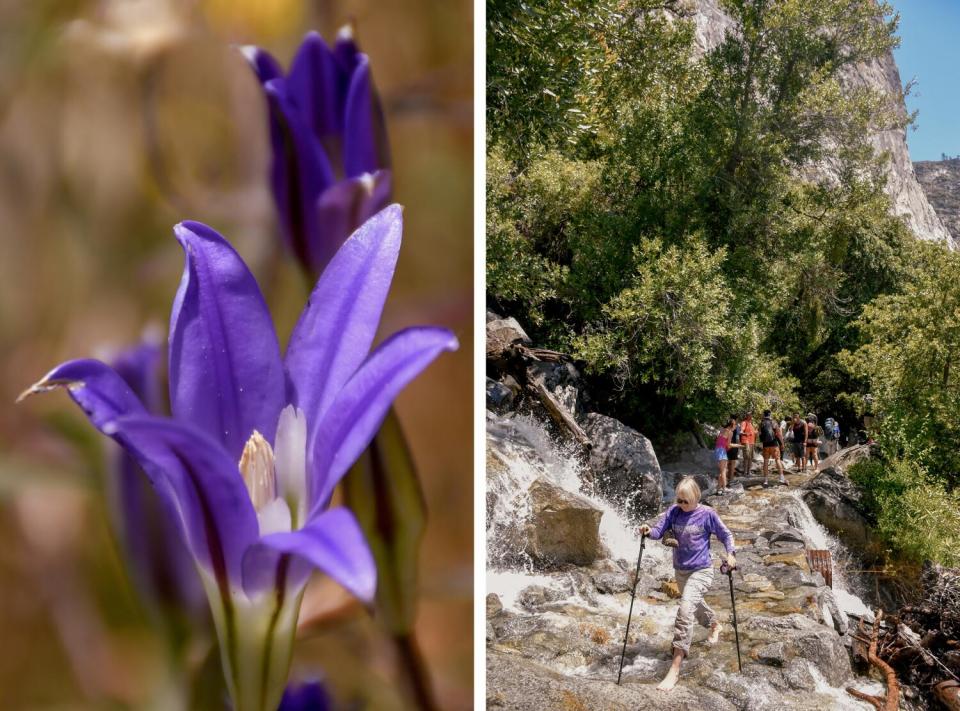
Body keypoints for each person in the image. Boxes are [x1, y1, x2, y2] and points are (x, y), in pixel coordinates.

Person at [639, 477, 737, 692]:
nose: (682, 505)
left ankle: (675, 667)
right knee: (691, 604)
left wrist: (731, 554)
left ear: (696, 498)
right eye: (679, 500)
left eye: (686, 501)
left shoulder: (707, 514)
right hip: (681, 571)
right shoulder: (674, 512)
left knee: (684, 611)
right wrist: (648, 531)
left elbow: (726, 534)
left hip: (702, 570)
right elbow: (658, 531)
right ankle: (714, 624)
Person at [759, 409, 786, 486]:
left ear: (764, 415)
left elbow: (760, 434)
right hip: (774, 444)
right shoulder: (774, 422)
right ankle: (781, 478)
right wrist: (782, 444)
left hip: (765, 445)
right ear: (770, 414)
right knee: (777, 460)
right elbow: (778, 434)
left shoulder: (761, 423)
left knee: (766, 462)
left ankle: (766, 480)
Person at [715, 418, 739, 495]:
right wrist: (738, 445)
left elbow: (720, 441)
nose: (736, 426)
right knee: (724, 471)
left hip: (718, 450)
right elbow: (728, 445)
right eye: (735, 424)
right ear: (732, 425)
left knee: (722, 470)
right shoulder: (730, 432)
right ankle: (725, 488)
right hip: (722, 451)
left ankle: (719, 488)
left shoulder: (722, 430)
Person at [738, 412, 756, 477]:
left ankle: (749, 472)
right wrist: (746, 434)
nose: (751, 416)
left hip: (751, 442)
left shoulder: (751, 423)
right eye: (750, 415)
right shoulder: (744, 422)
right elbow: (741, 431)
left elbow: (753, 432)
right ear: (747, 416)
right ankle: (745, 473)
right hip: (746, 442)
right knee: (746, 457)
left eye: (751, 415)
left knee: (750, 458)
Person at [726, 414, 741, 484]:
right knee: (732, 463)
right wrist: (738, 446)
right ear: (736, 419)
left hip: (726, 446)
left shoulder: (727, 425)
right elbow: (737, 437)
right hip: (733, 446)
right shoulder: (736, 426)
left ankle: (727, 478)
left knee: (728, 463)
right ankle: (731, 479)